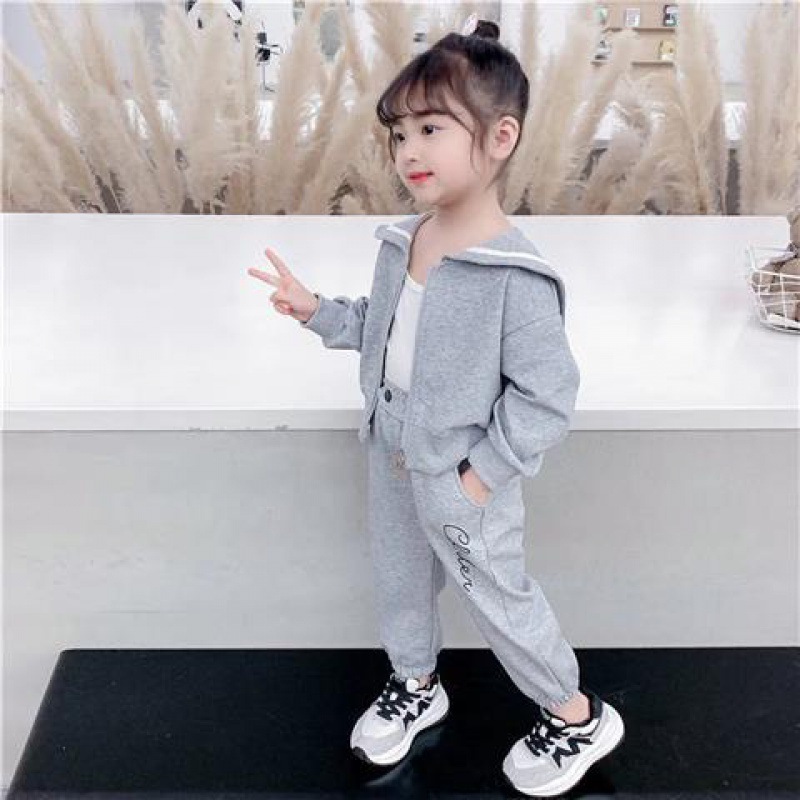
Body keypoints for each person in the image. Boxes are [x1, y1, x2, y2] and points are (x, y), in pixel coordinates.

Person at [248, 13, 625, 796]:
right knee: (400, 581)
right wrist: (317, 311)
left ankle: (576, 715)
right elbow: (383, 328)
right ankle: (417, 684)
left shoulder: (516, 278)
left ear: (500, 137)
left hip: (459, 472)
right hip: (391, 447)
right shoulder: (404, 241)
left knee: (498, 599)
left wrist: (480, 477)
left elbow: (549, 395)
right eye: (398, 134)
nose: (408, 150)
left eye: (430, 129)